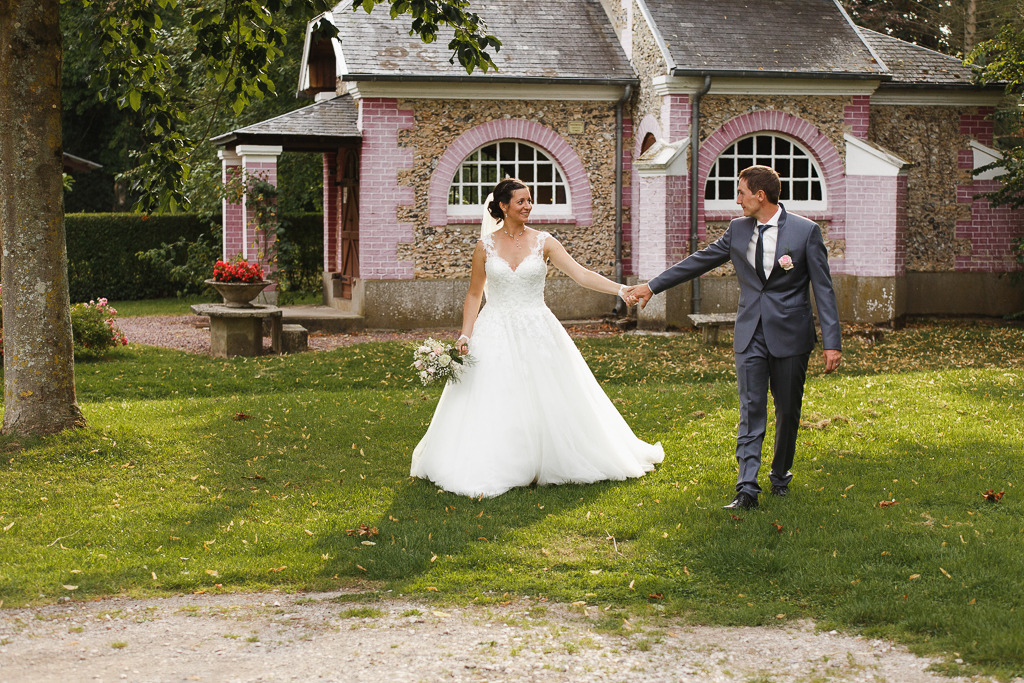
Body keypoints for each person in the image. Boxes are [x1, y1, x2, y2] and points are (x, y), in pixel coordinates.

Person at [410, 178, 663, 498]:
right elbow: (474, 295)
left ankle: (556, 456)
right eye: (521, 201)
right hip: (495, 329)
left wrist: (621, 289)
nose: (528, 205)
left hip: (538, 328)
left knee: (551, 394)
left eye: (530, 200)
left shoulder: (544, 241)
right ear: (503, 206)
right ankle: (502, 460)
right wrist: (465, 334)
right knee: (496, 395)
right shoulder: (484, 246)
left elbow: (581, 274)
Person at [627, 165, 841, 510]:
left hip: (791, 335)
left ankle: (780, 474)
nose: (736, 199)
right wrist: (652, 286)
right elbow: (699, 261)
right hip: (750, 333)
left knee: (788, 411)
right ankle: (747, 488)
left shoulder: (806, 232)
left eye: (741, 192)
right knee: (751, 407)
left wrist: (832, 341)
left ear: (761, 196)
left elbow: (824, 289)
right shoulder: (737, 230)